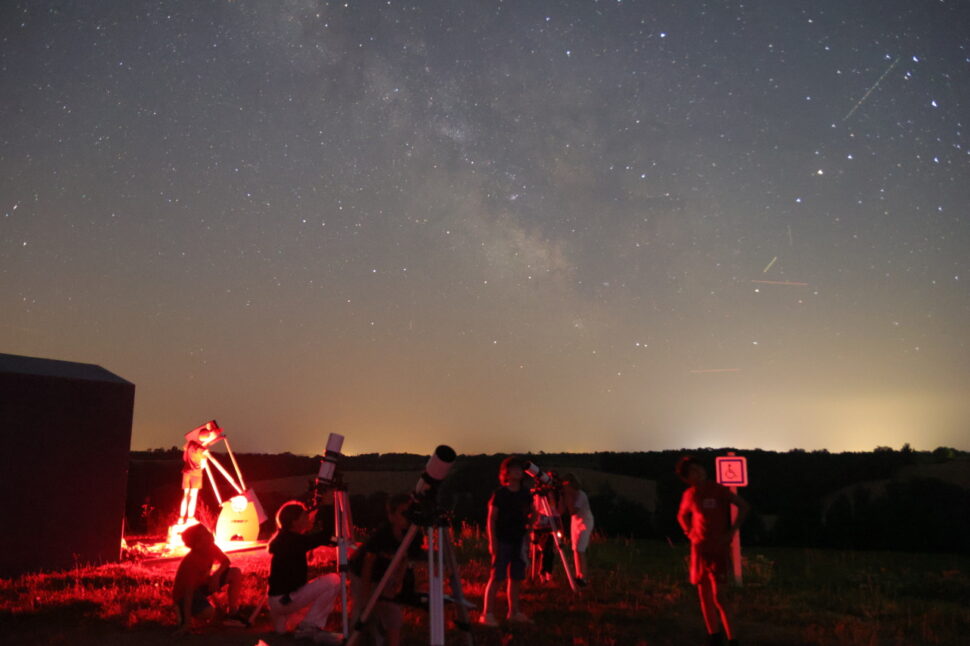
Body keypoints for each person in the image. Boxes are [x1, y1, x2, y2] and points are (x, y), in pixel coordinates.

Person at [676, 456, 750, 646]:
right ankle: (714, 637)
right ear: (687, 478)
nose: (699, 472)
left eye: (699, 468)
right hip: (700, 550)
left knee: (719, 596)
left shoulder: (717, 489)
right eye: (693, 471)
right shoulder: (689, 494)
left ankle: (732, 639)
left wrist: (731, 532)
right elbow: (682, 515)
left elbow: (743, 506)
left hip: (718, 548)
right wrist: (689, 532)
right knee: (704, 595)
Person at [348, 493, 424, 646]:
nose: (407, 517)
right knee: (363, 611)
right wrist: (365, 594)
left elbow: (405, 558)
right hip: (360, 572)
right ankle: (353, 640)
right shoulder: (382, 534)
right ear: (392, 516)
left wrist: (398, 580)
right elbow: (368, 562)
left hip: (385, 574)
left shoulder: (414, 534)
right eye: (403, 513)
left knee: (393, 615)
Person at [267, 500, 342, 642]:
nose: (308, 519)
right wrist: (326, 506)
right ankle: (309, 626)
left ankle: (291, 621)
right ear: (295, 522)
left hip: (276, 600)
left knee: (285, 632)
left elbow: (321, 539)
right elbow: (324, 536)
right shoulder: (294, 541)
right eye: (304, 517)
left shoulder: (284, 539)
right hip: (286, 600)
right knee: (334, 580)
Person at [480, 455, 534, 626]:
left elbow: (532, 514)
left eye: (520, 469)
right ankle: (487, 613)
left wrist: (530, 527)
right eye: (514, 469)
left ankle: (514, 612)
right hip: (502, 540)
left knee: (516, 578)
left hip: (519, 540)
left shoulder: (526, 494)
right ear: (507, 473)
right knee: (497, 577)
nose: (518, 472)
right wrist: (492, 541)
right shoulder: (500, 494)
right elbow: (492, 519)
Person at [171, 523, 246, 634]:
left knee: (235, 573)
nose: (210, 535)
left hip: (202, 585)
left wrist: (216, 576)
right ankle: (182, 613)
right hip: (184, 595)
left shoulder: (211, 547)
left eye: (207, 531)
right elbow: (188, 594)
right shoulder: (191, 562)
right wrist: (187, 623)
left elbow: (226, 562)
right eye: (205, 535)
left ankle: (232, 613)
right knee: (209, 613)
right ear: (197, 545)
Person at [178, 422, 219, 525]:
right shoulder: (203, 450)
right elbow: (204, 465)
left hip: (186, 472)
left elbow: (184, 457)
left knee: (185, 495)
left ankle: (181, 518)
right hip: (196, 474)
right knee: (193, 495)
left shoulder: (189, 445)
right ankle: (190, 518)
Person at [560, 473, 594, 586]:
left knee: (580, 548)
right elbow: (562, 511)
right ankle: (578, 575)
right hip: (575, 521)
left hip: (585, 522)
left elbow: (572, 511)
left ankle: (583, 577)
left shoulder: (581, 495)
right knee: (575, 548)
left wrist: (568, 498)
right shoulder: (568, 495)